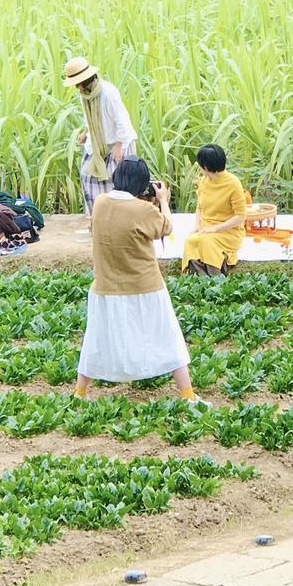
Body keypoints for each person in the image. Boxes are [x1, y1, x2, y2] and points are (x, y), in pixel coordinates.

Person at [75, 158, 208, 405]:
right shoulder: (144, 210)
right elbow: (166, 227)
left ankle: (80, 393)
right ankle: (188, 395)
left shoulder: (101, 202)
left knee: (96, 339)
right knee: (168, 336)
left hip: (105, 287)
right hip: (144, 286)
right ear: (142, 183)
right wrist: (163, 200)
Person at [63, 56, 137, 215]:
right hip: (97, 144)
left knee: (117, 183)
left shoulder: (108, 93)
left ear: (84, 80)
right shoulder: (85, 95)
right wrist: (85, 132)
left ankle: (117, 219)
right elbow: (89, 117)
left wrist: (119, 144)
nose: (76, 86)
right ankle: (97, 218)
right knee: (87, 177)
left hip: (117, 143)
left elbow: (122, 120)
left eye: (77, 82)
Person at [181, 143, 247, 275]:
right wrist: (197, 226)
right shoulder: (204, 181)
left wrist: (215, 229)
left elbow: (240, 216)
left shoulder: (233, 183)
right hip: (206, 229)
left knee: (206, 241)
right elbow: (199, 208)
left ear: (205, 167)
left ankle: (215, 276)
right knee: (190, 241)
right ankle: (200, 277)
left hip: (228, 232)